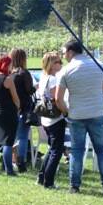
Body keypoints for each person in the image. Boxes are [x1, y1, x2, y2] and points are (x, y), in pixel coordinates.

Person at [55, 39, 103, 196]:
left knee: (76, 152)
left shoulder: (65, 71)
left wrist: (66, 112)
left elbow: (58, 99)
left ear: (70, 52)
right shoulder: (100, 66)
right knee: (102, 151)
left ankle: (74, 186)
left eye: (64, 53)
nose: (63, 56)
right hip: (97, 114)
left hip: (76, 116)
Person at [0, 55, 21, 175]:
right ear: (6, 65)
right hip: (8, 112)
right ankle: (9, 170)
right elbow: (15, 98)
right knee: (8, 142)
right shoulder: (8, 79)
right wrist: (18, 107)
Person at [36, 51, 65, 188]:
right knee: (56, 151)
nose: (61, 64)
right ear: (52, 65)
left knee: (51, 148)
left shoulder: (43, 77)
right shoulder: (53, 79)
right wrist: (65, 111)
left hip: (45, 118)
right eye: (59, 62)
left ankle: (42, 177)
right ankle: (49, 181)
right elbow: (57, 99)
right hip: (55, 118)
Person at [10, 48, 35, 172]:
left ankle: (11, 160)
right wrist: (35, 87)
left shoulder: (10, 73)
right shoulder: (24, 73)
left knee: (13, 136)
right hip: (24, 108)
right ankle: (21, 161)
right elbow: (30, 90)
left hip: (12, 108)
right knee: (23, 137)